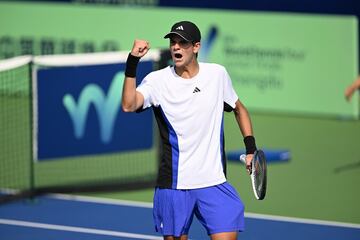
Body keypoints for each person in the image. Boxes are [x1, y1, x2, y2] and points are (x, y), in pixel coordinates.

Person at [122, 20, 257, 240]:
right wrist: (132, 61)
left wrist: (250, 148)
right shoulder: (157, 81)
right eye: (173, 42)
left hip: (213, 182)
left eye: (182, 43)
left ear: (196, 47)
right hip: (175, 185)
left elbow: (239, 109)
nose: (176, 47)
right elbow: (129, 105)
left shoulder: (217, 75)